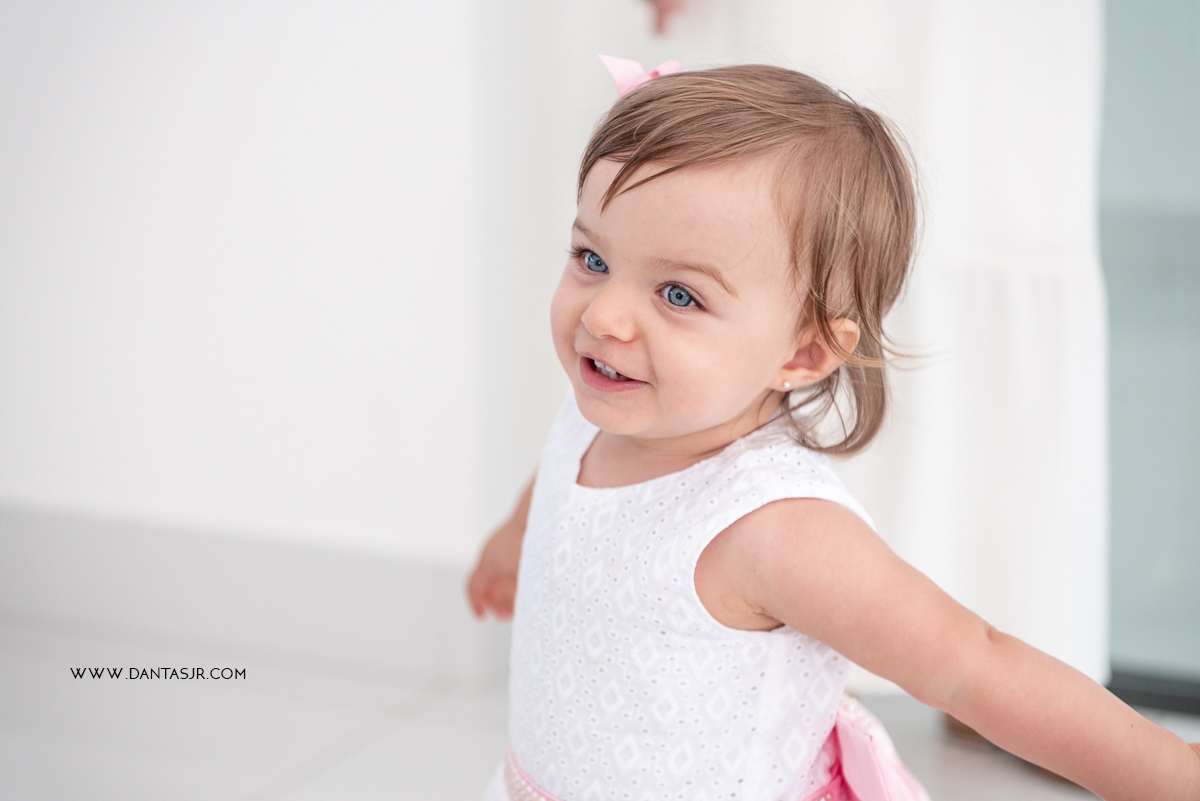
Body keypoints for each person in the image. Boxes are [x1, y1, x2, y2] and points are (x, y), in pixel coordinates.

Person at [467, 61, 1200, 801]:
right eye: (593, 259)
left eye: (678, 294)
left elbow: (976, 666)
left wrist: (1173, 774)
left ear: (804, 352)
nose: (602, 317)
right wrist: (514, 531)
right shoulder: (600, 408)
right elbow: (568, 472)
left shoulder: (775, 529)